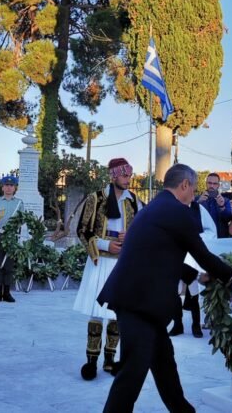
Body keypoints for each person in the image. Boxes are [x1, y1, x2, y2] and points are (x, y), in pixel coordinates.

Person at [98, 164, 232, 413]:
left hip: (142, 302)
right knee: (132, 374)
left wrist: (197, 277)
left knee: (164, 366)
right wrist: (231, 275)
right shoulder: (176, 211)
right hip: (138, 303)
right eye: (193, 189)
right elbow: (202, 254)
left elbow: (163, 255)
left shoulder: (156, 207)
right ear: (184, 185)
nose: (193, 196)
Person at [74, 157, 142, 380]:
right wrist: (105, 244)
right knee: (96, 314)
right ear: (113, 176)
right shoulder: (96, 199)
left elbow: (144, 230)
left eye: (129, 175)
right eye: (124, 175)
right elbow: (82, 230)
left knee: (116, 314)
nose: (128, 179)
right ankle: (91, 361)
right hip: (100, 260)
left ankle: (110, 359)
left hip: (122, 263)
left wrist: (130, 236)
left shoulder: (135, 201)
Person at [169, 200, 218, 338]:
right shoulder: (171, 207)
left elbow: (211, 230)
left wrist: (195, 239)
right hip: (177, 256)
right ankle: (177, 324)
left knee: (194, 293)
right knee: (175, 293)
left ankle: (196, 325)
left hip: (194, 257)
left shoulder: (199, 209)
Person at [0, 175, 23, 303]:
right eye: (6, 185)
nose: (8, 188)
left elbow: (21, 220)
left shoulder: (19, 203)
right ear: (3, 187)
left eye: (11, 185)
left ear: (14, 188)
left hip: (12, 236)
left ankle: (7, 293)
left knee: (9, 265)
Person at [197, 172, 232, 238]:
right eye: (209, 183)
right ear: (206, 184)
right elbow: (189, 216)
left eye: (215, 183)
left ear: (218, 185)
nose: (212, 186)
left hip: (221, 237)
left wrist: (222, 206)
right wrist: (198, 203)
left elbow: (228, 219)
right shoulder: (197, 199)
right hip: (203, 238)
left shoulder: (225, 200)